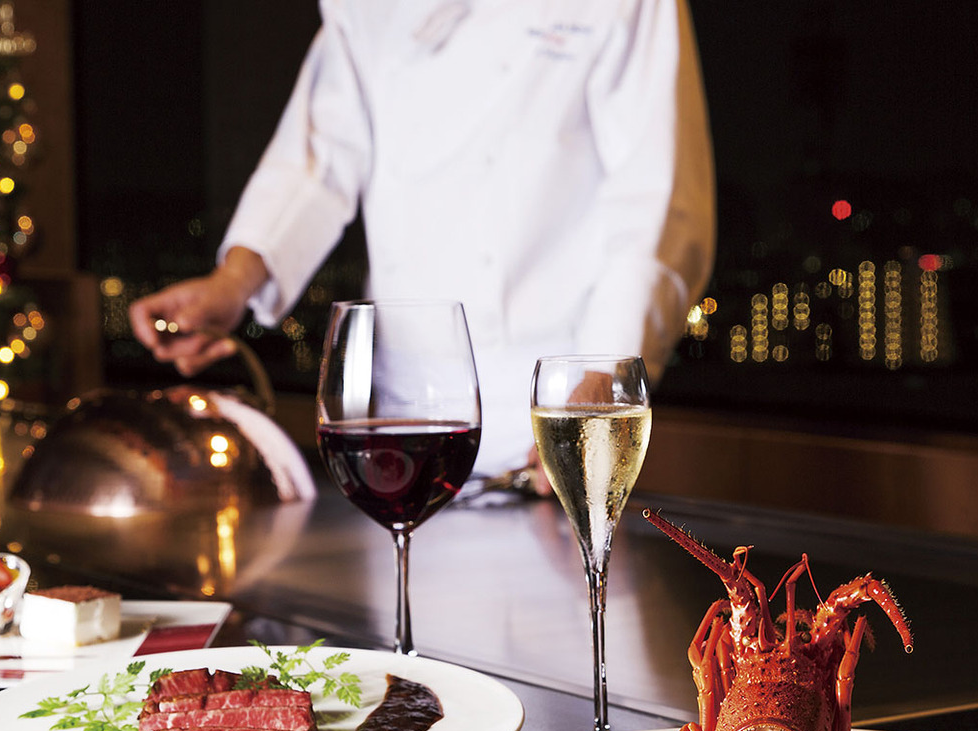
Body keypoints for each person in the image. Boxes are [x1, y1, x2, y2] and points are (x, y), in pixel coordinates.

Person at [130, 0, 715, 480]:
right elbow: (318, 157)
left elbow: (656, 199)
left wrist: (603, 390)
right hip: (400, 424)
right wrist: (234, 283)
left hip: (555, 417)